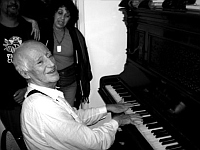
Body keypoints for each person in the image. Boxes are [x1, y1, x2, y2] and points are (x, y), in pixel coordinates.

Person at [12, 40, 142, 150]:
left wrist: (106, 108)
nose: (52, 64)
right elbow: (95, 142)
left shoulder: (43, 95)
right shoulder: (42, 107)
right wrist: (117, 121)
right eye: (40, 62)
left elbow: (73, 117)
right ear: (25, 73)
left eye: (49, 56)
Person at [39, 0, 92, 108]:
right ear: (53, 13)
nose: (62, 18)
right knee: (52, 116)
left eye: (67, 16)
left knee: (69, 115)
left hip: (70, 83)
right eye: (59, 13)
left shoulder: (75, 34)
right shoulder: (42, 32)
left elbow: (83, 61)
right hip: (48, 84)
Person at [0, 0, 39, 146]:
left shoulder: (30, 28)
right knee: (20, 140)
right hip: (6, 100)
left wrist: (27, 88)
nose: (12, 1)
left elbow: (37, 63)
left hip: (31, 94)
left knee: (37, 137)